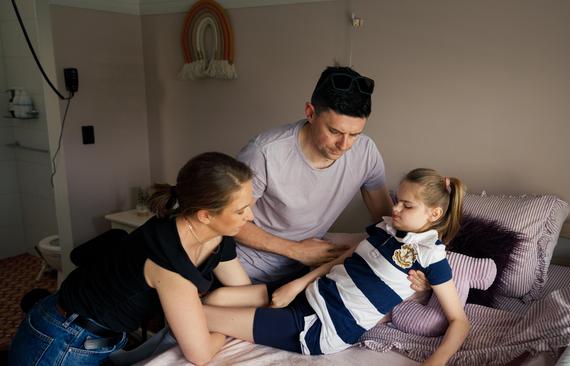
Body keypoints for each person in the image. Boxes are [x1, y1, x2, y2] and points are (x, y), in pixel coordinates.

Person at [9, 152, 256, 366]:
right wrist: (228, 326)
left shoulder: (216, 237)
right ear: (205, 215)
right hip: (64, 340)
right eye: (240, 210)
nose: (251, 216)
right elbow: (200, 353)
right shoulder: (168, 260)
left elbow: (249, 292)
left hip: (99, 336)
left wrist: (215, 300)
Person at [203, 168, 470, 365]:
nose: (396, 207)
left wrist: (436, 360)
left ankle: (209, 334)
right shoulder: (386, 228)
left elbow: (459, 321)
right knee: (218, 296)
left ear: (434, 214)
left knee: (201, 314)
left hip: (321, 324)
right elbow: (343, 260)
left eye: (406, 205)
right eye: (397, 199)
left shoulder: (430, 256)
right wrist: (296, 284)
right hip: (308, 291)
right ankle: (217, 337)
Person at [235, 65, 394, 283]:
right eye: (335, 131)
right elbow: (227, 221)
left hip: (308, 268)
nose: (344, 145)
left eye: (355, 134)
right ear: (310, 113)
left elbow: (385, 220)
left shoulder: (365, 151)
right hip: (247, 270)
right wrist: (297, 251)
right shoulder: (264, 153)